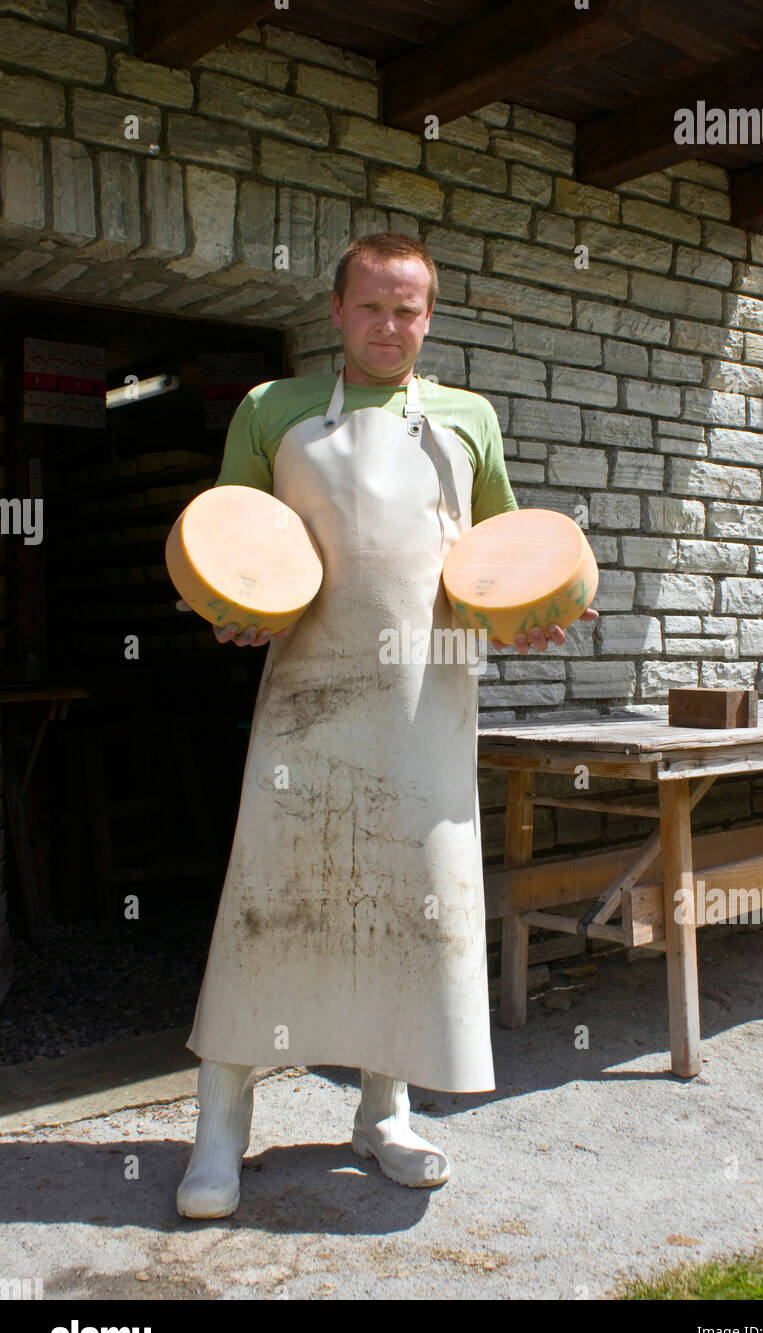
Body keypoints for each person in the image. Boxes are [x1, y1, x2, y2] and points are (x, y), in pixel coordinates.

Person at [176, 233, 598, 1217]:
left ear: (429, 315)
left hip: (427, 698)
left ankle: (385, 1115)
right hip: (305, 701)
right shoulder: (269, 411)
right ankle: (219, 1133)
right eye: (371, 307)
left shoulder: (466, 419)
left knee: (407, 903)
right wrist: (227, 608)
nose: (389, 326)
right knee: (265, 901)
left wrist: (530, 617)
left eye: (408, 310)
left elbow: (495, 563)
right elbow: (237, 548)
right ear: (334, 311)